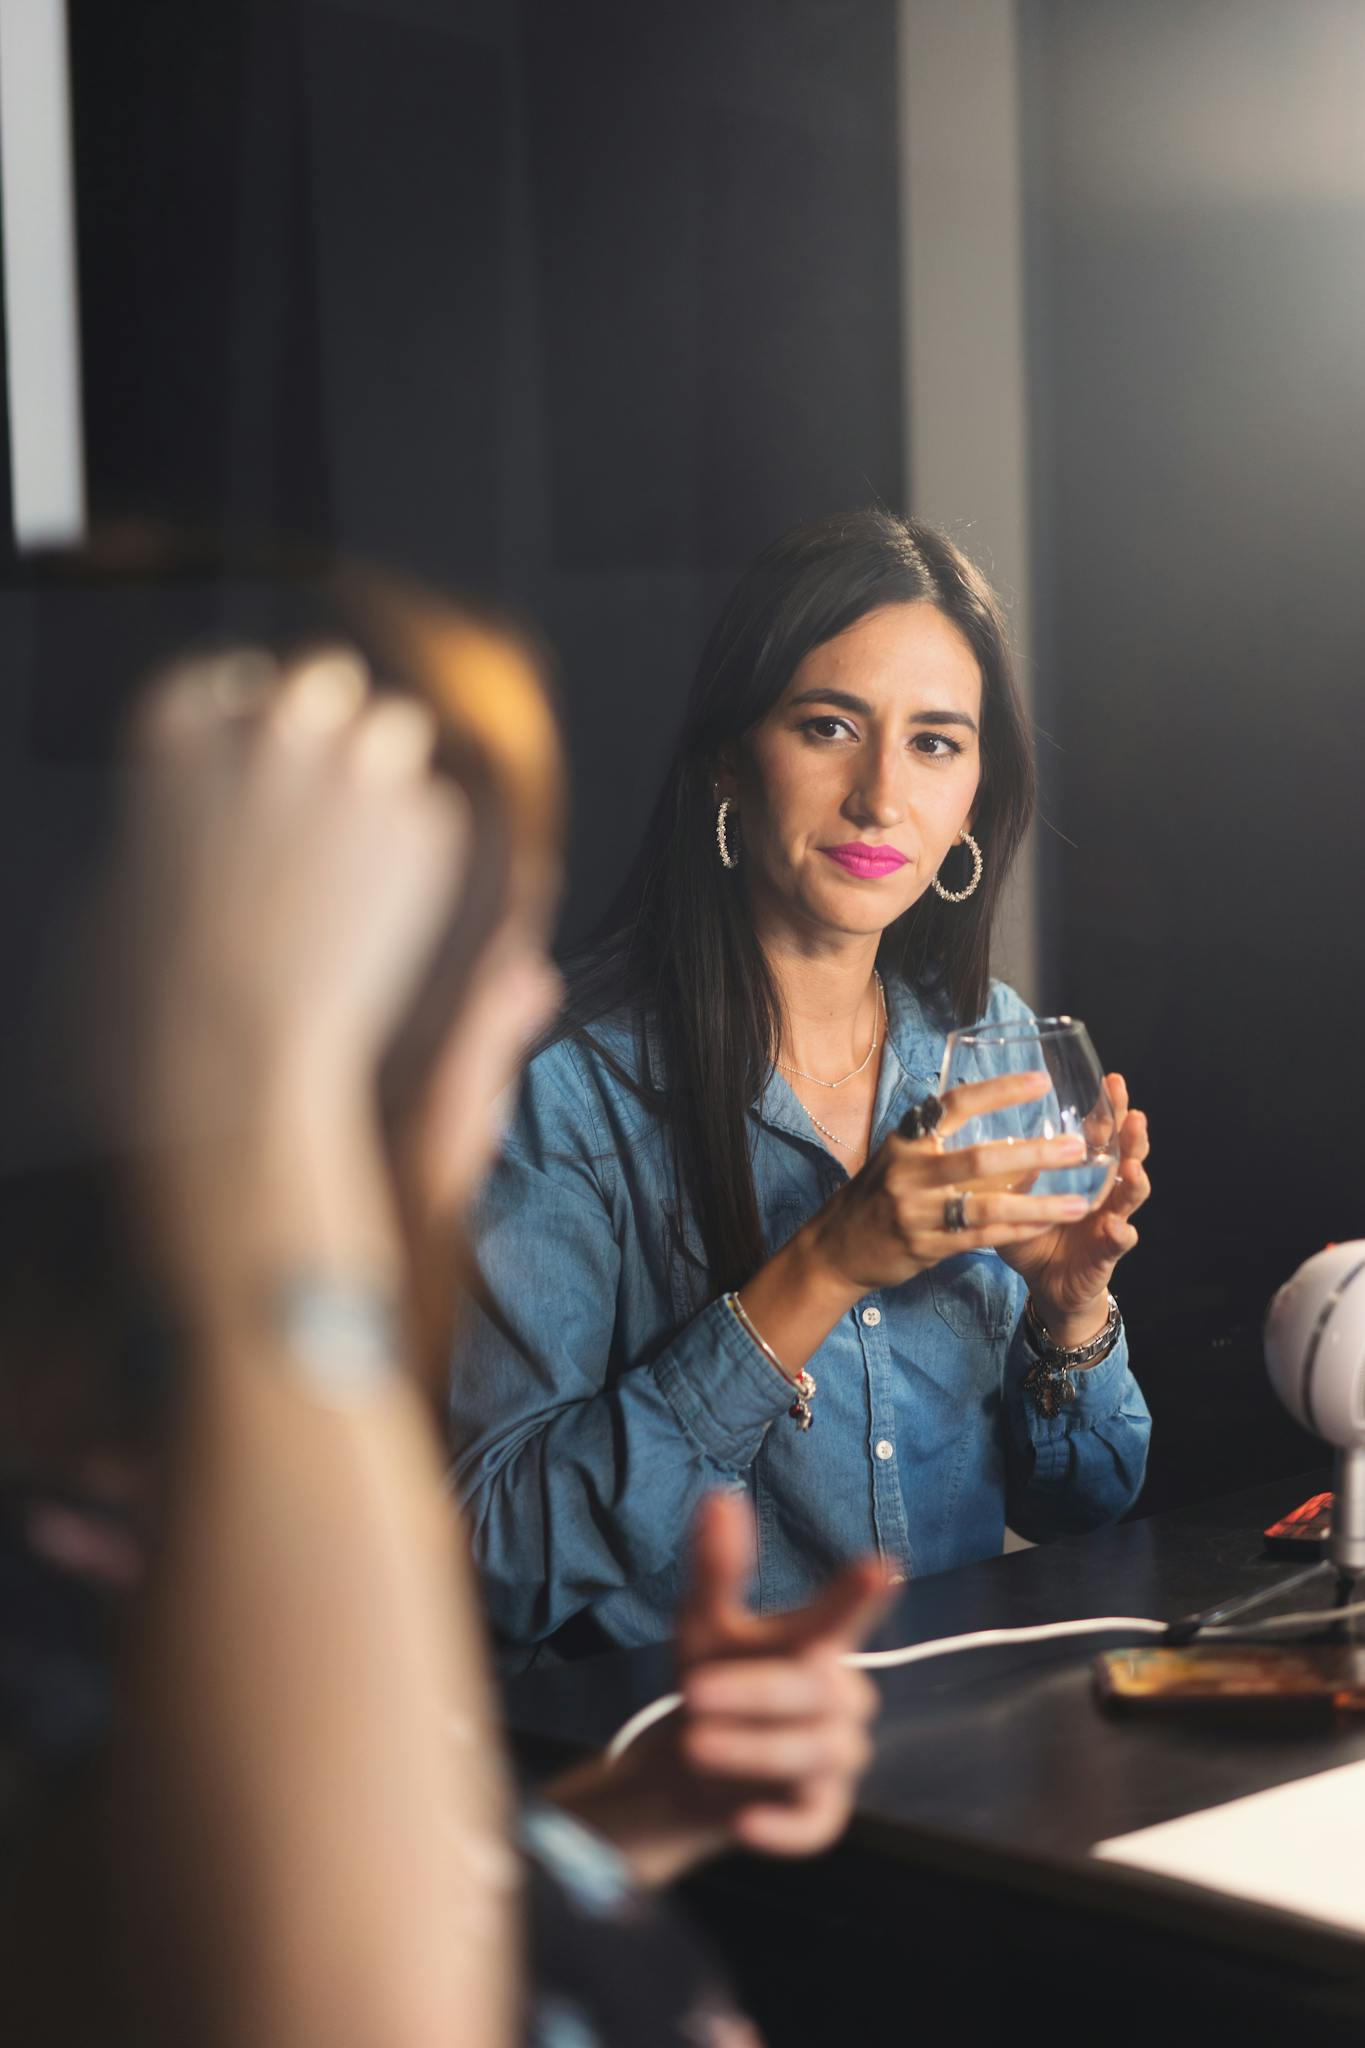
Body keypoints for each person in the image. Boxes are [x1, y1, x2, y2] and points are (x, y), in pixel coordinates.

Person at [0, 560, 889, 2048]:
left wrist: (621, 1820)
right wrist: (271, 1108)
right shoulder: (93, 1580)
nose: (527, 997)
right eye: (459, 933)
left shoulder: (168, 1507)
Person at [451, 508, 1154, 1669]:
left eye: (936, 742)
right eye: (831, 726)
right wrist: (828, 1261)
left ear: (976, 791)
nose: (883, 796)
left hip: (963, 1751)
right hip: (690, 1770)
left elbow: (1092, 1504)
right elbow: (499, 1560)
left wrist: (1070, 1313)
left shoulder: (998, 1044)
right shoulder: (566, 1086)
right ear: (732, 755)